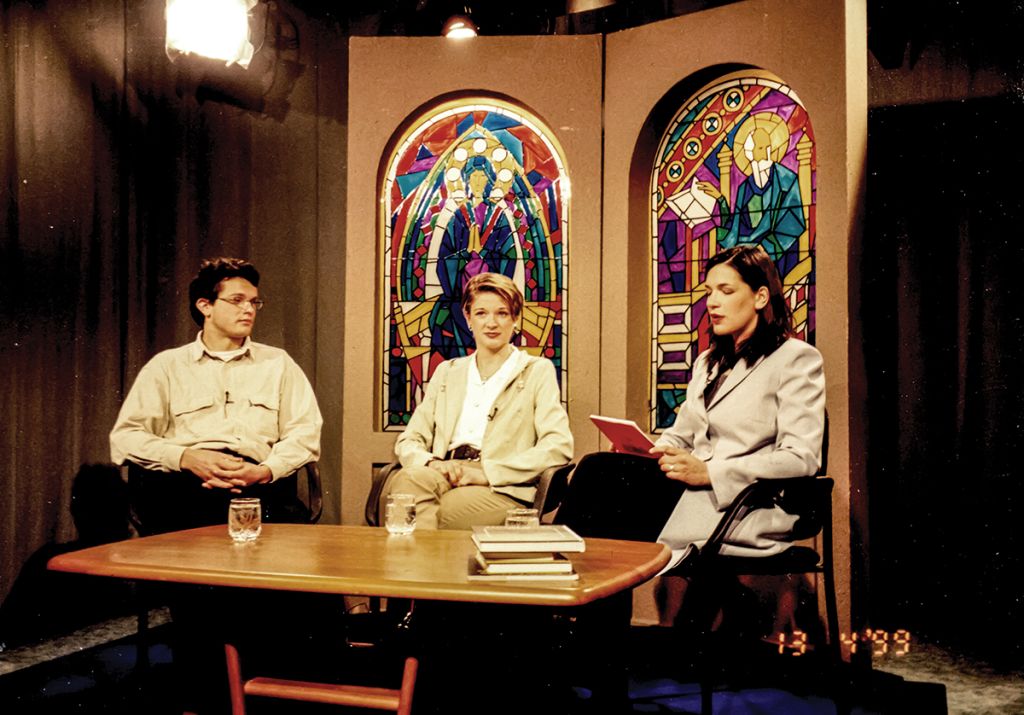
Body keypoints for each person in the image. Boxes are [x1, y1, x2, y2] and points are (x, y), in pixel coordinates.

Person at [651, 243, 825, 629]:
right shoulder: (707, 363)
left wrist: (710, 473)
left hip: (749, 505)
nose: (712, 302)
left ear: (760, 297)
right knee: (603, 471)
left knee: (620, 515)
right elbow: (682, 434)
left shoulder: (795, 359)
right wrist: (654, 449)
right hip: (692, 499)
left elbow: (802, 457)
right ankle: (589, 630)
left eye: (726, 291)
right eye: (709, 291)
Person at [110, 256, 323, 534]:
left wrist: (265, 471)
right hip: (185, 489)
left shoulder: (278, 363)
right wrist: (186, 457)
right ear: (205, 306)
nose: (248, 309)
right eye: (237, 300)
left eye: (253, 302)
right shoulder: (167, 366)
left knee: (290, 540)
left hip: (259, 488)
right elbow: (126, 438)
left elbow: (305, 433)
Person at [386, 271, 573, 530]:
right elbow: (410, 439)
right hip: (446, 471)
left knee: (429, 515)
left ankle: (417, 555)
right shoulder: (447, 372)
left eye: (502, 313)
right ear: (468, 318)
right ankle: (424, 553)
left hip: (500, 486)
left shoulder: (536, 371)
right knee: (407, 481)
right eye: (481, 313)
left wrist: (489, 472)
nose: (491, 323)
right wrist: (432, 463)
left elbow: (558, 446)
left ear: (515, 319)